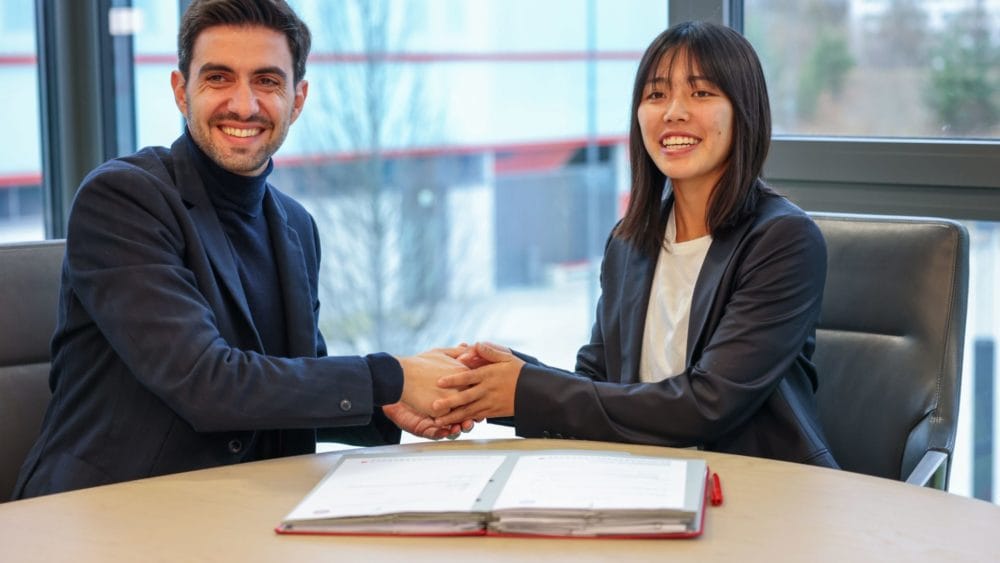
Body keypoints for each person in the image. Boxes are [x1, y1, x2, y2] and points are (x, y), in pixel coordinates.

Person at [13, 0, 468, 499]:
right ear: (181, 92)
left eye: (268, 81)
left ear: (297, 100)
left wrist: (394, 404)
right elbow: (205, 383)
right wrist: (391, 377)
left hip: (246, 508)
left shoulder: (296, 225)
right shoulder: (123, 198)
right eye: (219, 78)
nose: (244, 105)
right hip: (104, 514)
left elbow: (294, 388)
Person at [433, 21, 838, 468]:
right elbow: (596, 384)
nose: (674, 112)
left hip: (761, 490)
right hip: (643, 480)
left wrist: (524, 388)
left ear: (745, 112)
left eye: (701, 93)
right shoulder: (629, 241)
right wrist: (501, 377)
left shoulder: (783, 241)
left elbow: (709, 404)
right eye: (656, 94)